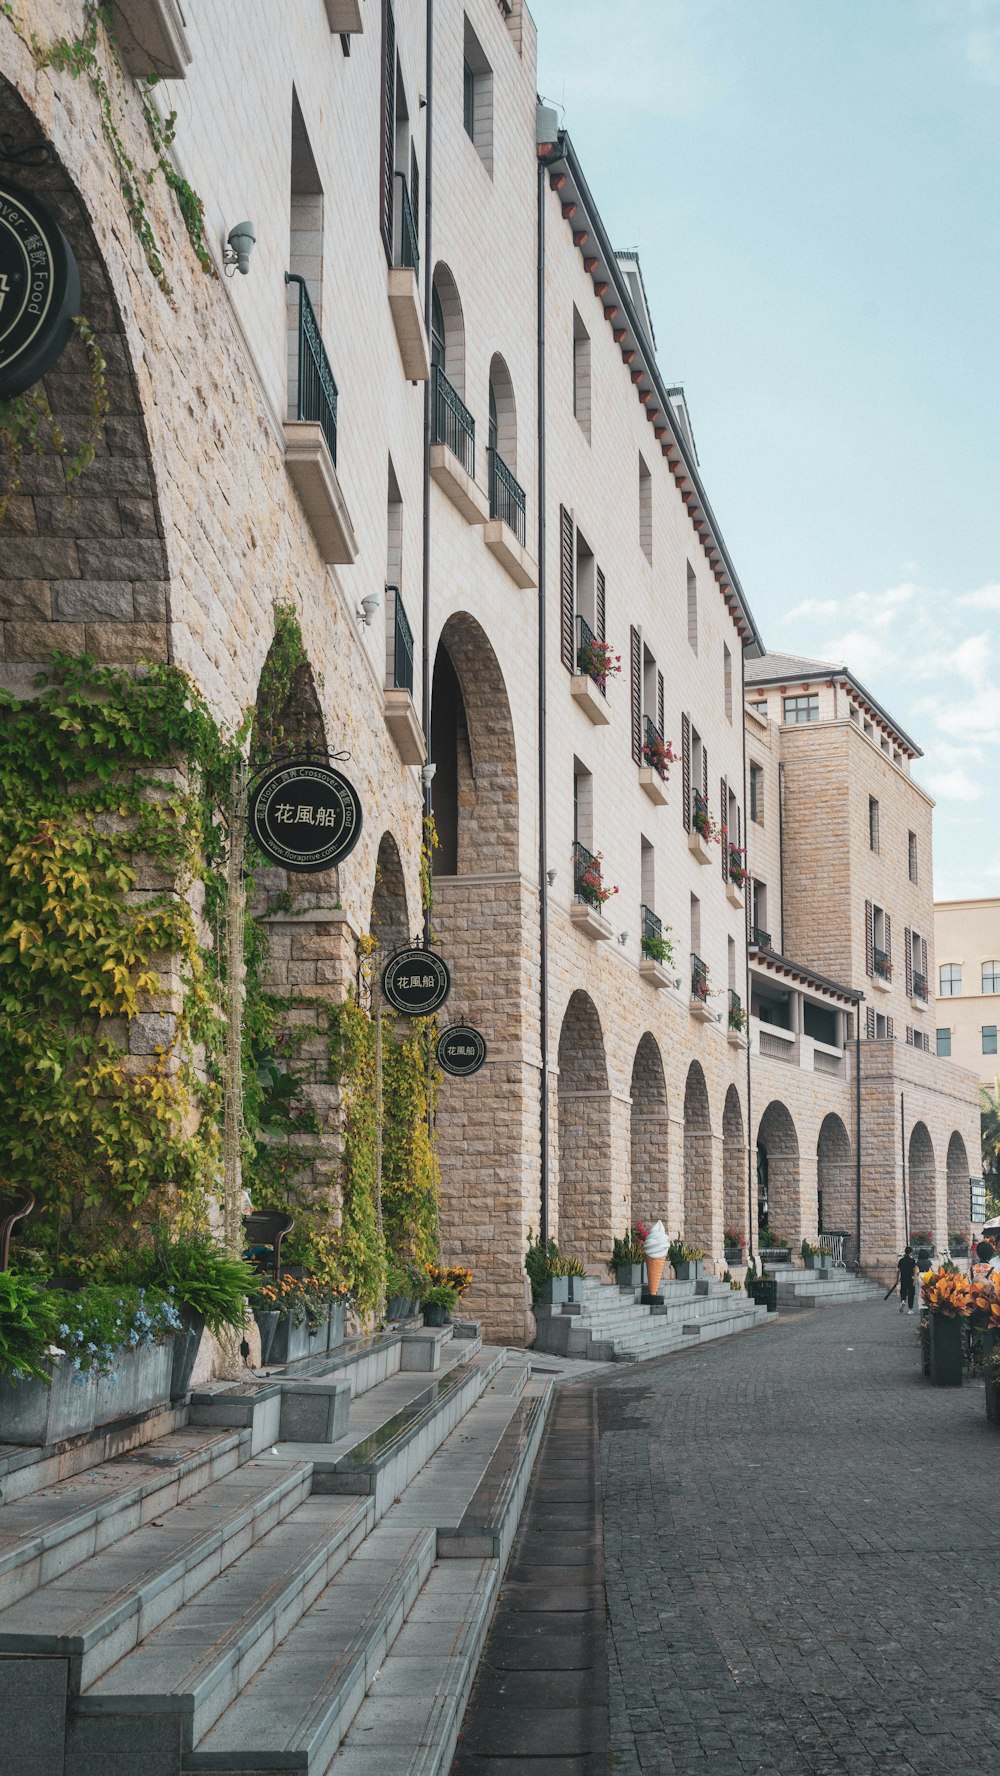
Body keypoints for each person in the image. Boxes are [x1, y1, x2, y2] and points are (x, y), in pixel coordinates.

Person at [897, 1245, 917, 1315]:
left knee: (903, 1291)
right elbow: (914, 1270)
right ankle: (910, 1309)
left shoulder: (901, 1260)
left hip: (903, 1278)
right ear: (910, 1253)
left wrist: (897, 1279)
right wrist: (915, 1279)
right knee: (911, 1293)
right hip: (910, 1278)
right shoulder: (912, 1261)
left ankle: (903, 1301)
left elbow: (898, 1270)